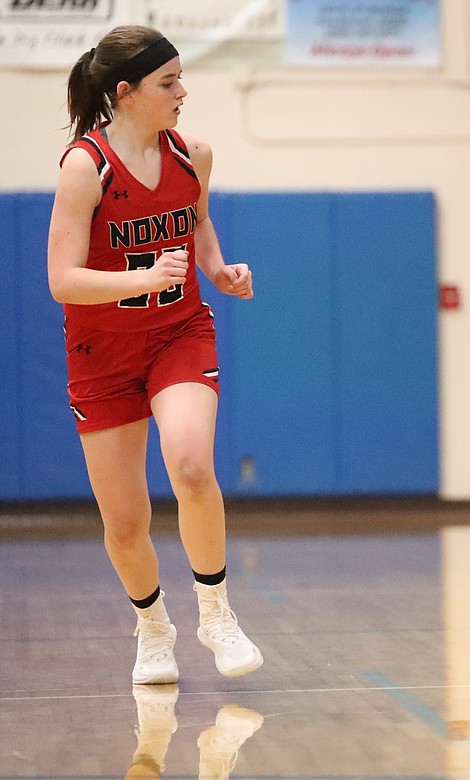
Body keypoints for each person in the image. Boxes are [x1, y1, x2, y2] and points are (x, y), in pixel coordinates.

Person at [47, 25, 263, 684]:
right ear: (126, 92)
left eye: (180, 78)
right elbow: (62, 279)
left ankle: (216, 612)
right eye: (168, 82)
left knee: (193, 464)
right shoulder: (88, 166)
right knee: (124, 520)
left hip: (178, 334)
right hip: (101, 350)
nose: (182, 92)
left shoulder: (192, 154)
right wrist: (142, 280)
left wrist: (219, 268)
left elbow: (195, 224)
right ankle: (152, 628)